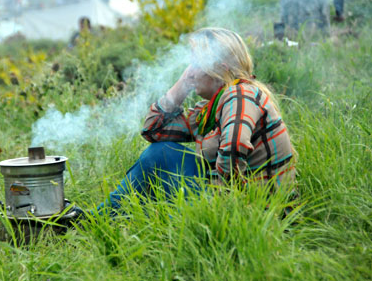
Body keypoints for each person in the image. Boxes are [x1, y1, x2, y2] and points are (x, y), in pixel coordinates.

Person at [70, 28, 296, 220]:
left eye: (196, 63)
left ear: (219, 69)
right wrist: (182, 85)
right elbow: (153, 130)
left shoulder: (239, 95)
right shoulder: (212, 108)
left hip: (259, 213)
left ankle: (96, 219)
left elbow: (234, 150)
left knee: (160, 156)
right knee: (161, 152)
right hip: (246, 204)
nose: (190, 70)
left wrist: (214, 211)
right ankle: (100, 217)